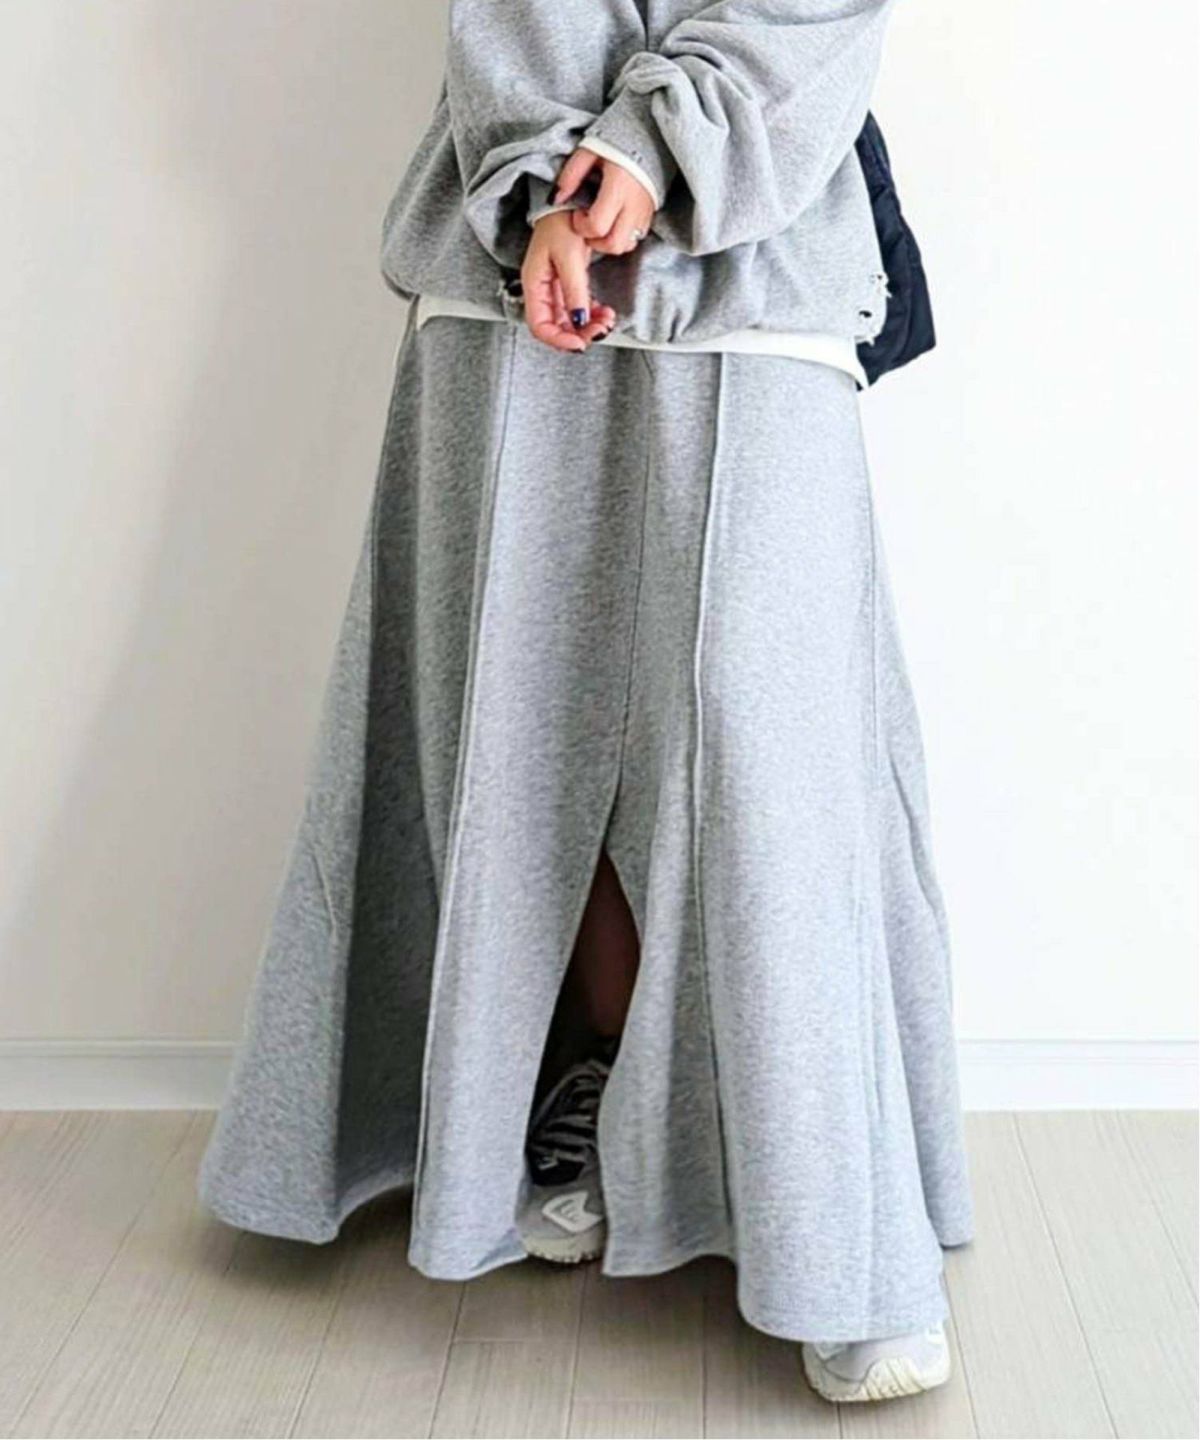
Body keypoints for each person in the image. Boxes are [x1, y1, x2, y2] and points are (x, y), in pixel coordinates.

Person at [200, 0, 974, 1404]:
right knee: (517, 738)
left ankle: (838, 1227)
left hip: (761, 253)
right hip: (510, 257)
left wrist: (654, 146)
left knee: (767, 765)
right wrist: (550, 184)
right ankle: (591, 1105)